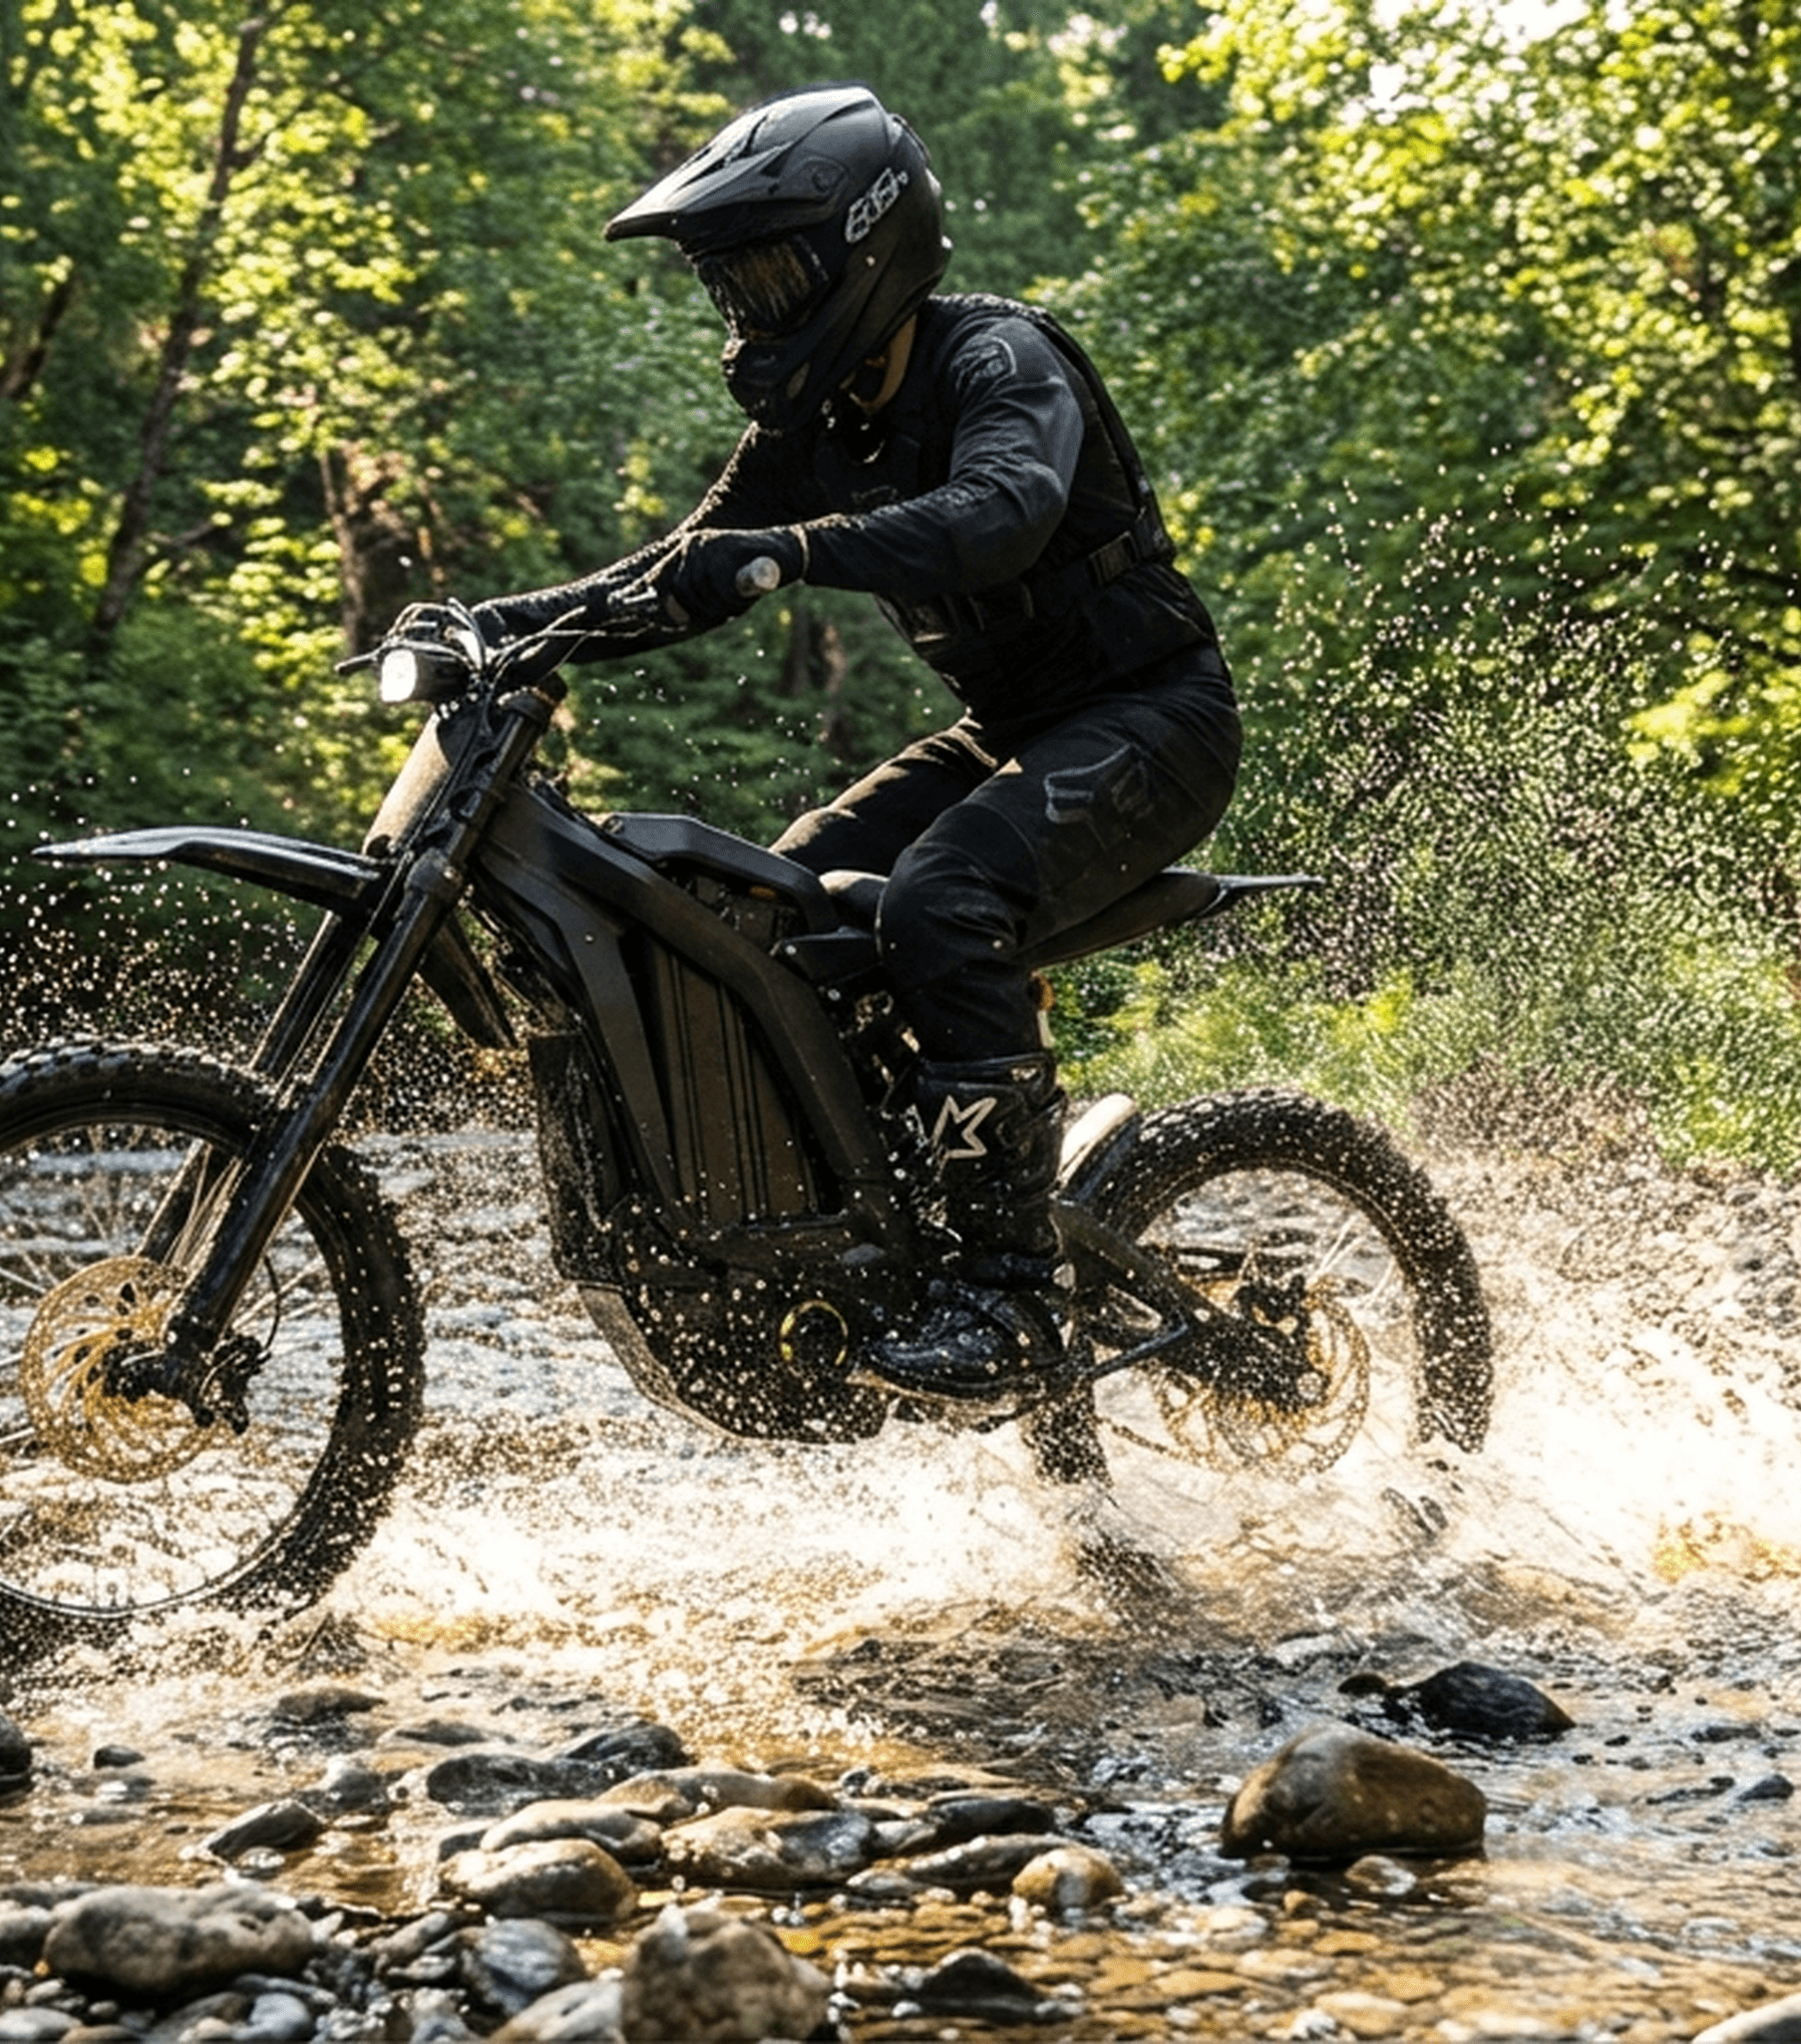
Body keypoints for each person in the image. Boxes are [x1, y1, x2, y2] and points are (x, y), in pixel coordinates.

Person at [459, 83, 1243, 1405]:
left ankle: (1010, 1299)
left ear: (866, 249)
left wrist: (798, 550)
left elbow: (1002, 511)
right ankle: (879, 1226)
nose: (748, 314)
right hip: (1012, 735)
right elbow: (675, 573)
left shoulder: (1001, 362)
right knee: (763, 907)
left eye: (768, 276)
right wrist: (491, 627)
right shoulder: (809, 432)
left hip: (1154, 720)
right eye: (732, 288)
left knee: (943, 897)